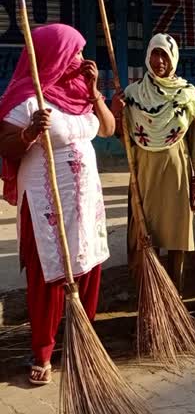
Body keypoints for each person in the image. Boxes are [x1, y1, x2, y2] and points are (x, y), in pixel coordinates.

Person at [0, 24, 114, 385]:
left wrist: (96, 92)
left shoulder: (82, 91)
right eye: (75, 52)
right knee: (49, 273)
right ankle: (43, 350)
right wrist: (31, 131)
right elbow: (5, 147)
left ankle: (83, 340)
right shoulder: (28, 97)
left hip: (86, 199)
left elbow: (109, 129)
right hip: (47, 202)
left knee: (89, 265)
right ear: (56, 55)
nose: (82, 59)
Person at [116, 33, 195, 293]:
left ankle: (174, 293)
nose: (159, 60)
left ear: (174, 58)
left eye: (165, 55)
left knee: (177, 234)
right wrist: (115, 110)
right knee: (145, 234)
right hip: (144, 173)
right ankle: (149, 293)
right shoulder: (132, 95)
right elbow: (125, 139)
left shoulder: (186, 94)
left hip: (177, 172)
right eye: (155, 53)